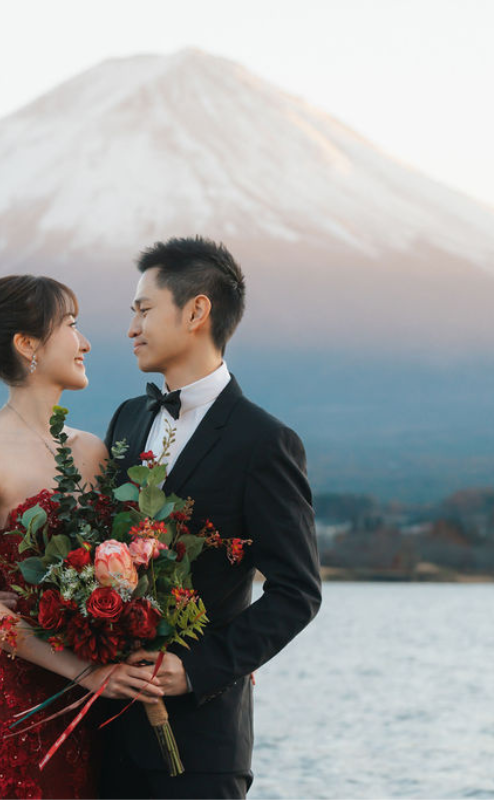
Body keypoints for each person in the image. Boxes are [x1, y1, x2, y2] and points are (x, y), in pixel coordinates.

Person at [0, 275, 163, 800]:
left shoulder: (93, 450)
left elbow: (133, 561)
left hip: (96, 697)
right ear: (28, 345)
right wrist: (87, 671)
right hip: (14, 695)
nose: (86, 342)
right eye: (71, 325)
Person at [98, 237, 323, 798]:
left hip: (200, 745)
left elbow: (298, 590)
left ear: (196, 311)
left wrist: (196, 668)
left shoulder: (263, 441)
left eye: (143, 309)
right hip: (105, 734)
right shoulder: (127, 419)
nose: (131, 327)